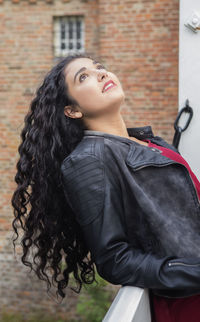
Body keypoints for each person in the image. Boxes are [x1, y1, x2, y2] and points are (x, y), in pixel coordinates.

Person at [11, 53, 200, 321]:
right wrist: (192, 272)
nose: (101, 73)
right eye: (84, 77)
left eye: (99, 68)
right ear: (73, 110)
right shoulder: (87, 161)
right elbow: (114, 260)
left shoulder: (148, 142)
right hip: (188, 303)